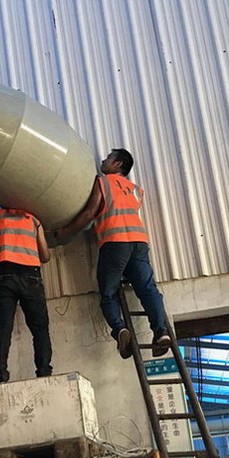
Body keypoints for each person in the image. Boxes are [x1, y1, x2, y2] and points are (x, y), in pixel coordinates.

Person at [54, 148, 170, 360]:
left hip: (114, 243)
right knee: (147, 288)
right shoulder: (135, 190)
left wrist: (64, 233)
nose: (103, 161)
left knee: (108, 292)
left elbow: (89, 214)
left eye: (108, 159)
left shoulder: (103, 183)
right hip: (139, 242)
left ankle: (119, 329)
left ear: (118, 164)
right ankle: (161, 332)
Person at [0, 207, 52, 384]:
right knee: (40, 328)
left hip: (3, 276)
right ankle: (44, 372)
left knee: (3, 328)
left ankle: (0, 375)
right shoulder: (33, 219)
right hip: (31, 276)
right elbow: (45, 256)